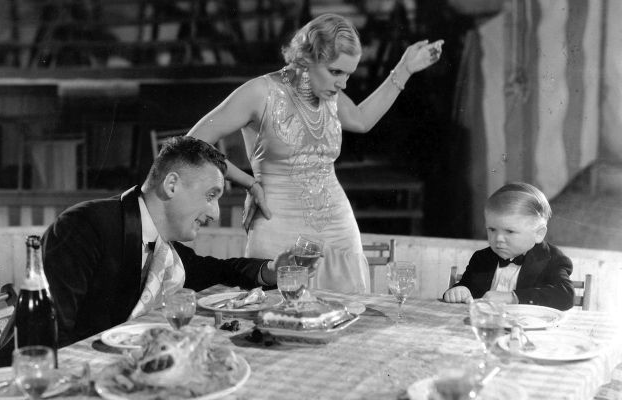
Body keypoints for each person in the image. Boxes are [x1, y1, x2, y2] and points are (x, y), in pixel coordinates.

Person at [187, 13, 444, 293]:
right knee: (275, 312)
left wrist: (405, 68)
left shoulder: (330, 94)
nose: (343, 83)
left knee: (346, 312)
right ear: (306, 58)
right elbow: (193, 142)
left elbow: (361, 120)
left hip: (338, 228)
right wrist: (249, 182)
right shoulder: (260, 92)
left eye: (348, 74)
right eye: (336, 72)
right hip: (278, 224)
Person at [0, 137, 292, 368]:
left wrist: (268, 272)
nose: (214, 213)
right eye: (210, 196)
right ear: (171, 185)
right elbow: (47, 334)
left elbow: (216, 270)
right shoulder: (85, 225)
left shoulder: (161, 245)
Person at [442, 182, 574, 310]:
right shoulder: (481, 258)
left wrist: (512, 297)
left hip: (528, 324)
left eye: (509, 231)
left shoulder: (552, 259)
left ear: (539, 234)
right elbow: (465, 287)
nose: (498, 239)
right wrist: (459, 291)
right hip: (486, 323)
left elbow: (565, 296)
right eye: (492, 229)